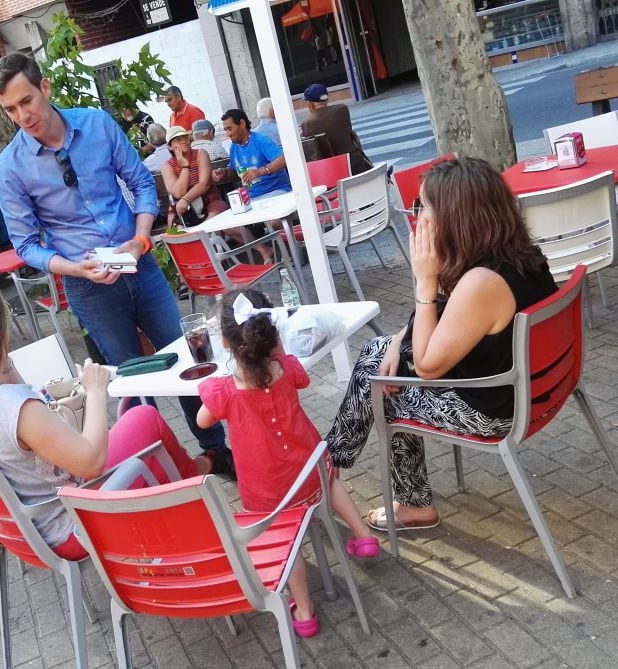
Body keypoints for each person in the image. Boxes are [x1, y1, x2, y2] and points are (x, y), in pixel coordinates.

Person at [0, 53, 231, 474]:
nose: (22, 115)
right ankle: (157, 471)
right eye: (10, 109)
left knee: (186, 358)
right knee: (129, 380)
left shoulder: (97, 124)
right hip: (88, 284)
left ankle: (215, 450)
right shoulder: (10, 166)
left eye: (26, 101)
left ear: (44, 88)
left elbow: (139, 182)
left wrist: (140, 239)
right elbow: (26, 245)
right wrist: (75, 268)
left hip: (139, 262)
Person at [326, 157, 558, 532]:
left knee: (382, 388)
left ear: (456, 215)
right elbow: (446, 318)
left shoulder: (481, 283)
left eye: (424, 206)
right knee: (377, 354)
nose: (418, 216)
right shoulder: (513, 255)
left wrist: (425, 281)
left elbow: (427, 367)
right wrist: (399, 338)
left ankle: (370, 485)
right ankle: (332, 459)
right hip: (528, 389)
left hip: (495, 410)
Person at [0, 279, 214, 560]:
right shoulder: (15, 409)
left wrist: (0, 361)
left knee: (137, 431)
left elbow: (17, 393)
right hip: (72, 523)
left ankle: (184, 480)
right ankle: (193, 485)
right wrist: (96, 391)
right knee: (144, 417)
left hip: (27, 526)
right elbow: (91, 464)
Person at [197, 289, 380, 638]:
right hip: (312, 472)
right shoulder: (288, 367)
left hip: (271, 493)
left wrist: (215, 383)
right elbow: (304, 379)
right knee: (333, 482)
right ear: (271, 334)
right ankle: (363, 534)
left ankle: (306, 611)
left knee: (289, 540)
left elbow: (204, 421)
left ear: (224, 342)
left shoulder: (223, 391)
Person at [213, 108, 292, 262]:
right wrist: (224, 172)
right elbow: (235, 170)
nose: (228, 134)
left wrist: (261, 171)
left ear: (242, 124)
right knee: (226, 226)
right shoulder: (235, 147)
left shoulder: (260, 140)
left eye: (230, 128)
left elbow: (282, 159)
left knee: (274, 220)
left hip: (276, 191)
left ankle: (292, 250)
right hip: (252, 198)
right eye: (225, 130)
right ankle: (264, 250)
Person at [161, 126, 228, 226]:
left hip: (210, 202)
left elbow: (204, 184)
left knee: (210, 226)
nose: (183, 141)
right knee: (178, 232)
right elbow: (178, 193)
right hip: (183, 210)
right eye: (178, 140)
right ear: (170, 146)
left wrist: (186, 199)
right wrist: (185, 166)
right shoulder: (167, 166)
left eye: (185, 137)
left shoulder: (200, 154)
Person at [300, 84, 373, 175]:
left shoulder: (306, 123)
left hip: (331, 169)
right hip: (355, 162)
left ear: (310, 103)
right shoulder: (342, 109)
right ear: (326, 99)